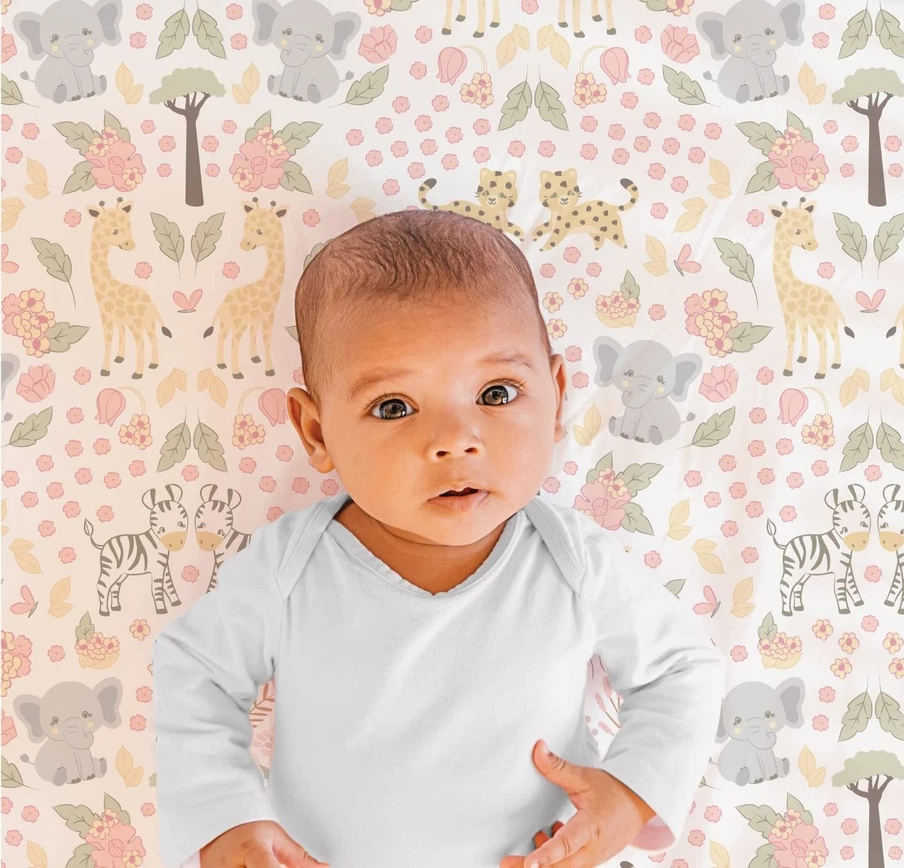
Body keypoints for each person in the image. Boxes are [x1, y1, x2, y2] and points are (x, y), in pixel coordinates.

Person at [153, 209, 725, 868]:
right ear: (315, 433)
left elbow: (682, 671)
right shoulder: (292, 569)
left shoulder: (571, 561)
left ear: (557, 396)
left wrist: (629, 794)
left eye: (496, 392)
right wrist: (226, 820)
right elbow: (194, 674)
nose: (455, 438)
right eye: (394, 406)